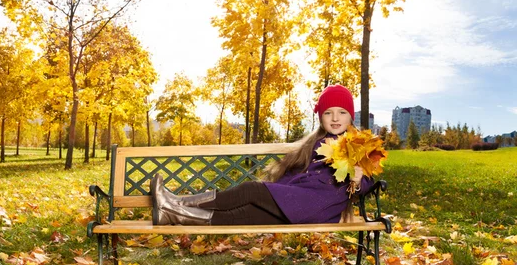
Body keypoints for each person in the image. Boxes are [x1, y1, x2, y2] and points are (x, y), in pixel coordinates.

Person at [151, 84, 374, 226]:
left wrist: (357, 179)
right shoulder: (315, 143)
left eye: (342, 112)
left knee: (252, 190)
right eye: (328, 112)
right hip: (298, 201)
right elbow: (296, 174)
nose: (335, 118)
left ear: (350, 116)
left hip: (317, 205)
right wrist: (278, 191)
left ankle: (176, 202)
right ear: (320, 116)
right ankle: (170, 215)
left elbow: (368, 183)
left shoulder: (358, 144)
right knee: (242, 215)